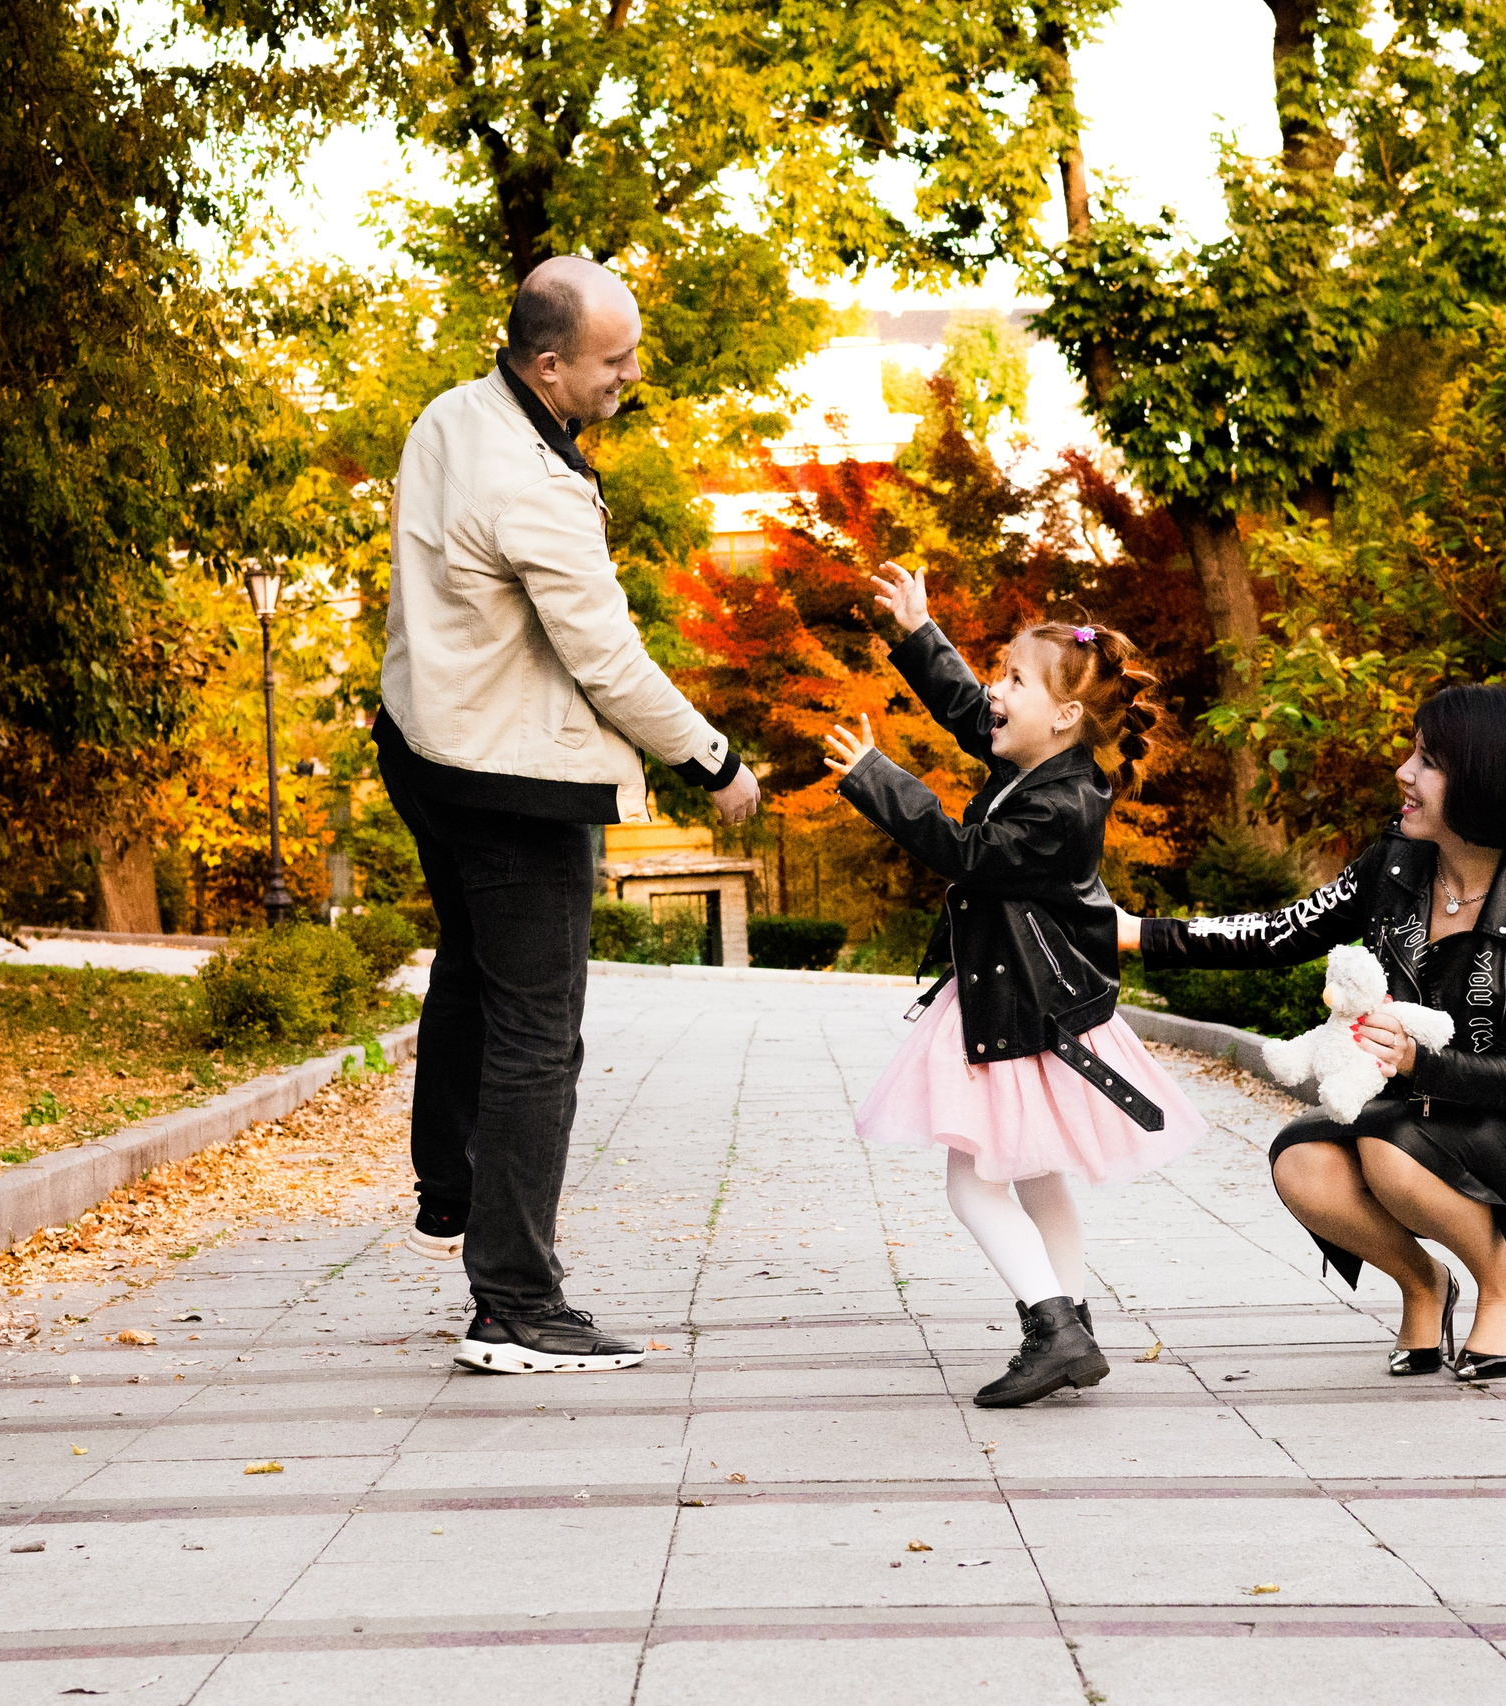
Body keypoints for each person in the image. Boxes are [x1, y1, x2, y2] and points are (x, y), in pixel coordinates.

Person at [377, 255, 761, 1375]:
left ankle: (447, 1182)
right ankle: (513, 1305)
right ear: (548, 365)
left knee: (475, 974)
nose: (631, 376)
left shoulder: (450, 414)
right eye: (612, 361)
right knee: (540, 1035)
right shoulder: (531, 489)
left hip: (424, 746)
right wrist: (711, 757)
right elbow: (606, 656)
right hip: (509, 784)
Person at [1127, 685, 1506, 1381]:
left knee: (1385, 1147)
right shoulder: (1398, 864)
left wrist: (1417, 1062)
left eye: (1428, 760)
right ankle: (1423, 1286)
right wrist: (1136, 933)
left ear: (1484, 780)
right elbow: (1279, 932)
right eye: (1413, 752)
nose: (1404, 773)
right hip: (1417, 1122)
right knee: (1302, 1162)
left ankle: (1505, 1284)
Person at [825, 564, 1207, 1408]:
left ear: (1066, 715)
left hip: (1026, 1005)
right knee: (1037, 1174)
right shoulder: (1036, 769)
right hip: (1023, 998)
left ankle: (1053, 1326)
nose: (994, 690)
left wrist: (877, 778)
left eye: (1014, 679)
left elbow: (968, 858)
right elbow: (969, 711)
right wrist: (920, 634)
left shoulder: (1063, 807)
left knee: (973, 1182)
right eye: (998, 671)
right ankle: (1071, 1321)